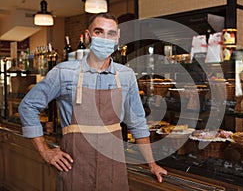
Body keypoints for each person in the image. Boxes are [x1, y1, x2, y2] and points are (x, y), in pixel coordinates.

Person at [18, 13, 167, 190]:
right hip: (74, 167)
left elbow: (137, 122)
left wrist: (151, 163)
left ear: (117, 37)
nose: (105, 39)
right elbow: (28, 106)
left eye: (111, 33)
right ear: (88, 36)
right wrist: (45, 152)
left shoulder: (126, 76)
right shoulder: (64, 72)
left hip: (113, 167)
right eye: (99, 32)